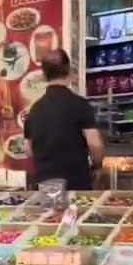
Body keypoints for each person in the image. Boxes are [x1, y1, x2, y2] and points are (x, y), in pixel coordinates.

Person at [24, 49, 103, 190]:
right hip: (76, 185)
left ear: (44, 75)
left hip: (44, 186)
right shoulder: (80, 104)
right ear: (69, 70)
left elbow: (28, 149)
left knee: (49, 213)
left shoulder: (34, 110)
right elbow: (95, 144)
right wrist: (97, 166)